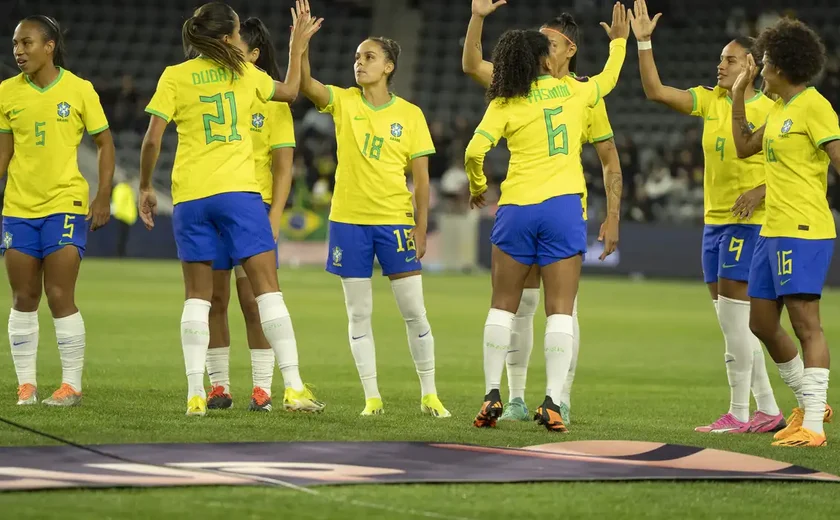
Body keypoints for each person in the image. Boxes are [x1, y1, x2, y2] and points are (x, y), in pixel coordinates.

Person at [139, 2, 323, 416]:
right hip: (240, 194)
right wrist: (296, 47)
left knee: (197, 299)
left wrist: (147, 185)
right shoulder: (246, 74)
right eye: (238, 33)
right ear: (226, 39)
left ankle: (195, 393)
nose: (242, 40)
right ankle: (292, 386)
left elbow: (152, 139)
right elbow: (291, 92)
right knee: (266, 292)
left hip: (190, 197)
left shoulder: (175, 76)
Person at [461, 0, 626, 425]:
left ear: (568, 48)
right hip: (564, 206)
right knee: (560, 310)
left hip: (516, 206)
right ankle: (548, 400)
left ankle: (496, 394)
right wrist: (624, 43)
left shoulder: (507, 96)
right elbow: (609, 78)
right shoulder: (580, 93)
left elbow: (475, 149)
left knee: (504, 306)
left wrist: (479, 187)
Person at [630, 0, 785, 433]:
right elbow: (656, 91)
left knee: (737, 321)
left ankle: (738, 413)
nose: (720, 65)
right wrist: (643, 42)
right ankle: (768, 409)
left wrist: (761, 189)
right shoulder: (711, 100)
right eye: (719, 58)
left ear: (750, 66)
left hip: (748, 224)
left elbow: (796, 169)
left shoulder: (771, 110)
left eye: (729, 59)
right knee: (730, 322)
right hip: (713, 223)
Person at [297, 0, 449, 418]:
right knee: (358, 313)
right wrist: (301, 45)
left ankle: (429, 394)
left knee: (414, 311)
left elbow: (421, 180)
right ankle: (372, 398)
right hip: (348, 222)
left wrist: (420, 228)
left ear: (389, 67)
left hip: (394, 223)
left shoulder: (410, 115)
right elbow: (307, 85)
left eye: (369, 57)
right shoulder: (344, 102)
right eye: (356, 58)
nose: (359, 64)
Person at [731, 18, 840, 447]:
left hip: (804, 228)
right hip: (772, 230)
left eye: (768, 61)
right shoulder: (779, 109)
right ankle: (810, 404)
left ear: (784, 66)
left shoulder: (815, 107)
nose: (763, 68)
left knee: (805, 324)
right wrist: (739, 95)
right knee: (761, 322)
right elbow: (743, 147)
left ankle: (813, 425)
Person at [0, 15, 115, 406]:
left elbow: (105, 144)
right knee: (23, 296)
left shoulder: (80, 90)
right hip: (18, 207)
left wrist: (103, 196)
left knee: (59, 293)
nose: (18, 51)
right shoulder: (6, 93)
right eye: (15, 44)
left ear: (49, 46)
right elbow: (3, 154)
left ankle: (70, 386)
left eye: (27, 43)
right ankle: (27, 385)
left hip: (65, 203)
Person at [203, 17, 309, 413]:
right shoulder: (214, 92)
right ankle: (219, 387)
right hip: (214, 203)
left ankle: (262, 389)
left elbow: (284, 167)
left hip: (255, 209)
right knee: (215, 298)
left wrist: (276, 215)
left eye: (235, 47)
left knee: (253, 301)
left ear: (254, 54)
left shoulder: (272, 101)